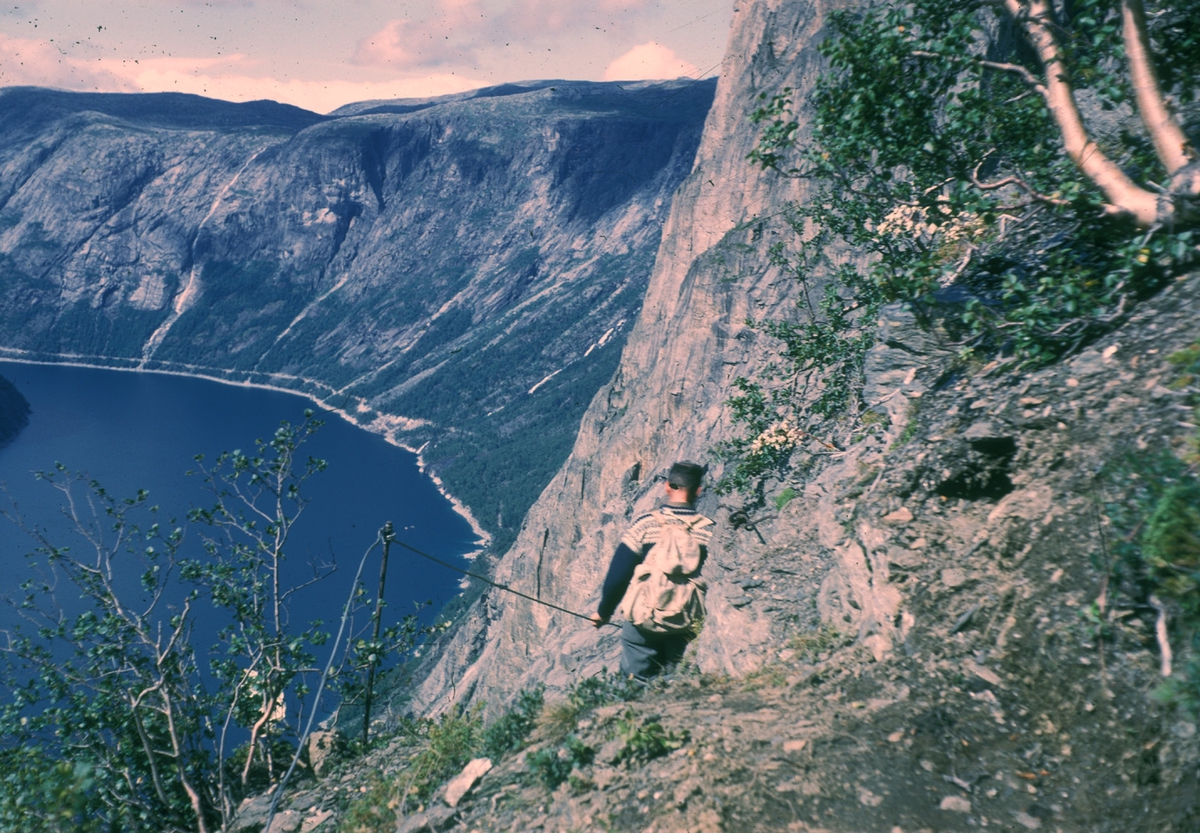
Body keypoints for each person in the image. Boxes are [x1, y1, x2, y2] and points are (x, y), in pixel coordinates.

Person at [590, 461, 714, 681]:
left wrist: (604, 612)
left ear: (667, 487)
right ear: (698, 491)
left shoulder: (645, 525)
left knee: (634, 684)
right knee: (677, 680)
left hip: (642, 621)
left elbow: (618, 576)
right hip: (685, 622)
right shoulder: (708, 532)